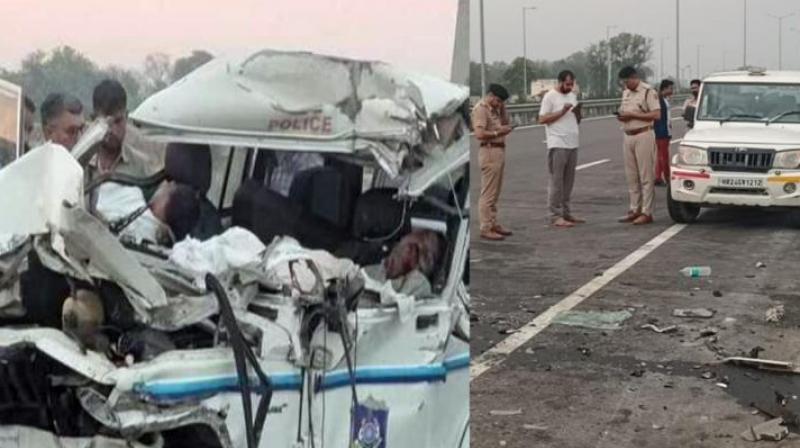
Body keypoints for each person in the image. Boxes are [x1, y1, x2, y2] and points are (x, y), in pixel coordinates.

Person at [616, 66, 661, 225]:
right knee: (632, 176)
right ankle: (634, 209)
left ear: (634, 77)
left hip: (644, 134)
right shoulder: (626, 93)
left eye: (626, 81)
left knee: (646, 176)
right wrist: (622, 116)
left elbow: (656, 114)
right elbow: (625, 111)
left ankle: (647, 212)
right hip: (628, 135)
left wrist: (633, 115)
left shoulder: (648, 92)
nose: (625, 85)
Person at [94, 180, 201, 246]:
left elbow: (91, 196)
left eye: (169, 186)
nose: (165, 183)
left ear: (164, 202)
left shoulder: (132, 196)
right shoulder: (165, 250)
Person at [538, 70, 583, 228]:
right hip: (557, 143)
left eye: (572, 84)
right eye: (567, 84)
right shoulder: (550, 96)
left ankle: (566, 212)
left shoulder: (572, 96)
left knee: (568, 182)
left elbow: (576, 120)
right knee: (557, 181)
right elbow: (542, 119)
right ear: (560, 82)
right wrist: (562, 111)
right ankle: (554, 215)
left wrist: (578, 113)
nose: (570, 87)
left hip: (572, 142)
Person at [472, 83, 514, 240]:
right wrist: (497, 132)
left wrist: (502, 108)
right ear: (490, 95)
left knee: (495, 192)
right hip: (489, 151)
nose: (499, 104)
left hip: (499, 150)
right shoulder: (481, 109)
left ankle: (493, 222)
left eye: (501, 102)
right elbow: (479, 134)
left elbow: (505, 122)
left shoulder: (495, 108)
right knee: (488, 193)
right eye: (498, 101)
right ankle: (485, 227)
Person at [654, 79, 675, 186]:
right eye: (671, 88)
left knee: (660, 156)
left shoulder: (664, 99)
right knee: (664, 156)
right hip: (662, 132)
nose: (672, 91)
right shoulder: (659, 100)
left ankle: (658, 177)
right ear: (665, 88)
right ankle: (667, 178)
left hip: (664, 131)